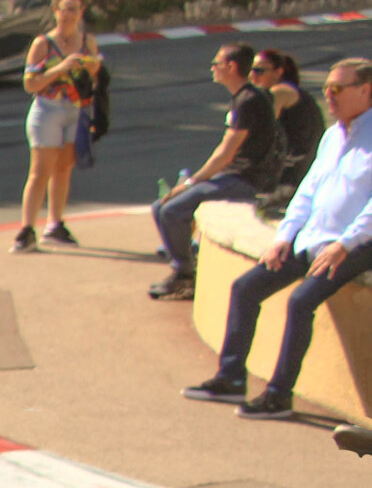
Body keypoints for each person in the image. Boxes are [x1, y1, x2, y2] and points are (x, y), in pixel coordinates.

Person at [182, 57, 372, 420]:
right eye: (326, 88)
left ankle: (279, 396)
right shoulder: (333, 136)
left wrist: (344, 244)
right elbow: (307, 192)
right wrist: (284, 236)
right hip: (312, 239)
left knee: (301, 302)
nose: (328, 96)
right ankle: (231, 377)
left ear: (366, 90)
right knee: (246, 288)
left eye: (337, 89)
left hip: (357, 244)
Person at [149, 43, 281, 300]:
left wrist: (190, 183)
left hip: (247, 180)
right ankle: (184, 268)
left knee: (172, 209)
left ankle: (185, 274)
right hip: (231, 174)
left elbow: (226, 152)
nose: (212, 68)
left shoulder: (249, 100)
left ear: (231, 67)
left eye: (216, 63)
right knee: (159, 207)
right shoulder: (242, 97)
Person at [13, 0, 99, 252]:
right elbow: (30, 83)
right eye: (64, 9)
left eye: (73, 9)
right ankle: (26, 230)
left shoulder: (87, 42)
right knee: (40, 171)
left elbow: (94, 77)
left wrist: (88, 68)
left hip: (74, 109)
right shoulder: (43, 44)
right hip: (47, 109)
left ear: (81, 13)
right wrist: (59, 69)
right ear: (55, 11)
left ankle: (55, 224)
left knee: (64, 169)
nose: (68, 14)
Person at [253, 48, 322, 207]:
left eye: (259, 70)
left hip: (293, 175)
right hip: (300, 171)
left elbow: (260, 132)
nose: (252, 75)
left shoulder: (280, 92)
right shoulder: (292, 91)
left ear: (278, 72)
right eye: (251, 70)